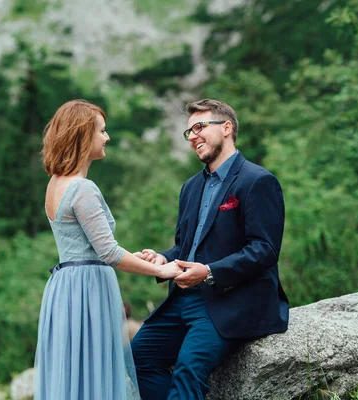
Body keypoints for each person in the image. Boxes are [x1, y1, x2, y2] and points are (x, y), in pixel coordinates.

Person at [131, 99, 289, 400]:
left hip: (232, 301)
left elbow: (265, 249)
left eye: (200, 127)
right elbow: (185, 246)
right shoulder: (190, 187)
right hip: (183, 299)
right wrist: (163, 257)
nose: (192, 136)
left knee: (189, 368)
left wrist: (210, 272)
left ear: (226, 128)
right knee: (138, 358)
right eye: (188, 131)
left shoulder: (259, 181)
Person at [34, 99, 182, 400]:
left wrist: (134, 256)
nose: (107, 137)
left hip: (65, 286)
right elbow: (110, 253)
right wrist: (159, 269)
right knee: (94, 371)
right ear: (83, 135)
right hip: (88, 289)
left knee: (75, 371)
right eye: (102, 131)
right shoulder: (82, 188)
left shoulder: (54, 184)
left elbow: (92, 246)